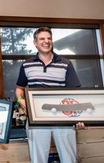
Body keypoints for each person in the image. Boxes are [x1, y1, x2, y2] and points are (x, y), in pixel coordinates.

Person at [15, 27, 84, 163]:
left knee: (68, 158)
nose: (46, 41)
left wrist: (79, 115)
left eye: (49, 38)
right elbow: (19, 88)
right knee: (37, 158)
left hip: (63, 116)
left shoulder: (66, 63)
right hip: (37, 117)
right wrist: (21, 101)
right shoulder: (26, 65)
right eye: (42, 39)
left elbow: (75, 92)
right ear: (35, 42)